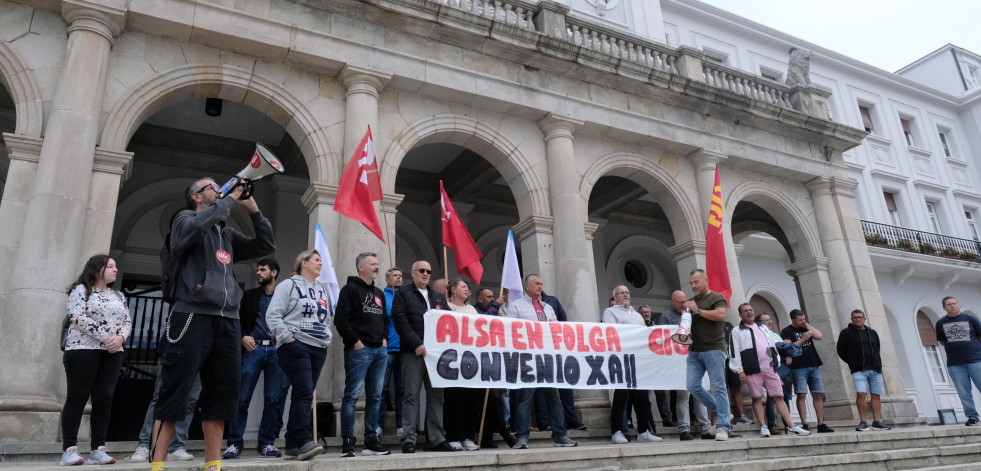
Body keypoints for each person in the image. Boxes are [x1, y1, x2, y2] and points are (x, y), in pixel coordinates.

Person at [151, 178, 275, 471]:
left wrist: (252, 206)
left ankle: (213, 464)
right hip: (192, 314)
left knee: (221, 395)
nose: (219, 189)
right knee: (175, 391)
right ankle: (157, 464)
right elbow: (197, 226)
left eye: (221, 187)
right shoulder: (184, 219)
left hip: (228, 320)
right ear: (196, 196)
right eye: (212, 187)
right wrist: (229, 199)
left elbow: (266, 244)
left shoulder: (227, 233)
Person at [60, 255, 131, 466]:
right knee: (77, 397)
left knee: (104, 399)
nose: (115, 270)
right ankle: (69, 449)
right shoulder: (80, 290)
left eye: (116, 266)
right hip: (82, 350)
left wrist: (120, 338)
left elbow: (127, 320)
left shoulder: (118, 295)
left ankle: (98, 449)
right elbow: (78, 317)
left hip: (112, 352)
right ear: (97, 269)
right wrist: (107, 338)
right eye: (110, 266)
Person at [266, 249, 333, 460]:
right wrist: (288, 338)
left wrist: (326, 337)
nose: (321, 264)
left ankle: (293, 444)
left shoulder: (321, 290)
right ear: (303, 262)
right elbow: (273, 315)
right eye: (316, 260)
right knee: (304, 392)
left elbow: (327, 318)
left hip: (318, 346)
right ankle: (304, 440)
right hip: (296, 345)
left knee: (303, 393)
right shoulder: (288, 285)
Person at [224, 259, 290, 459]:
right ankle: (234, 443)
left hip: (277, 351)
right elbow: (238, 320)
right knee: (242, 397)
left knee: (273, 400)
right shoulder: (250, 296)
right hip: (254, 349)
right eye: (258, 270)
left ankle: (267, 443)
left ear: (274, 272)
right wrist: (243, 335)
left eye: (263, 270)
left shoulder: (285, 297)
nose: (258, 273)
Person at [506, 274, 578, 449]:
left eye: (541, 284)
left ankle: (560, 435)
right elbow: (510, 331)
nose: (540, 286)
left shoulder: (548, 308)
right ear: (527, 287)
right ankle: (523, 437)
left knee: (555, 399)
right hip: (528, 359)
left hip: (549, 359)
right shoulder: (515, 307)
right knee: (525, 399)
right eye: (537, 283)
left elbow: (556, 330)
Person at [334, 252, 391, 457]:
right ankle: (348, 442)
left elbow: (385, 319)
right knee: (351, 396)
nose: (377, 266)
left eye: (377, 263)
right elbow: (341, 320)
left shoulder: (379, 292)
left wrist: (384, 340)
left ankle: (370, 441)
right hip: (359, 350)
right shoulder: (349, 290)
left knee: (375, 397)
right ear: (361, 268)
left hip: (379, 351)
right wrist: (356, 342)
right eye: (372, 264)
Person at [392, 260, 452, 453]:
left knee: (437, 396)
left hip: (436, 354)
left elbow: (449, 321)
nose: (425, 274)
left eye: (428, 271)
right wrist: (416, 343)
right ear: (413, 273)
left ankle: (436, 438)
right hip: (413, 352)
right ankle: (408, 438)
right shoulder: (403, 293)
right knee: (411, 395)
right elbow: (401, 321)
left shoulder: (438, 297)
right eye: (421, 271)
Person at [728, 304, 810, 438]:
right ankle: (763, 426)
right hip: (752, 369)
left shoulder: (763, 327)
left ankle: (791, 426)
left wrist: (776, 361)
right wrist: (739, 371)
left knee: (779, 396)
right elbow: (734, 352)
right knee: (756, 397)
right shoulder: (737, 331)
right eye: (745, 311)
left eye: (750, 310)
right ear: (740, 315)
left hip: (770, 367)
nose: (749, 312)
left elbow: (772, 344)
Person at [603, 285, 662, 444]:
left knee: (642, 397)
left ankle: (643, 430)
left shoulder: (637, 315)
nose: (626, 295)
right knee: (621, 397)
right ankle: (616, 431)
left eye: (627, 292)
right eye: (622, 293)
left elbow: (644, 336)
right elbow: (611, 332)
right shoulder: (610, 312)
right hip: (621, 359)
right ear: (615, 297)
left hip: (638, 359)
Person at [684, 269, 736, 441]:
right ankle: (725, 413)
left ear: (706, 280)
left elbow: (721, 315)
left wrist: (698, 311)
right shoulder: (690, 301)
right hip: (694, 351)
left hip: (714, 348)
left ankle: (723, 427)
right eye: (691, 282)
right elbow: (685, 324)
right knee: (692, 386)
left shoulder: (716, 297)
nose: (693, 286)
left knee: (718, 386)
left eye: (696, 282)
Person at [659, 290, 712, 440]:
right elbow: (663, 338)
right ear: (672, 302)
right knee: (683, 396)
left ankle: (706, 428)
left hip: (696, 357)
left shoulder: (692, 313)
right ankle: (684, 429)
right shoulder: (666, 316)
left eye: (685, 301)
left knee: (700, 395)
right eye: (680, 302)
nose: (683, 304)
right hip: (679, 361)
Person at [837, 309, 891, 431]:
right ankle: (863, 422)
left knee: (876, 394)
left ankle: (877, 421)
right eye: (855, 317)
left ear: (864, 319)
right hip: (858, 369)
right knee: (861, 394)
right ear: (851, 319)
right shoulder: (846, 333)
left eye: (860, 317)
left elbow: (877, 347)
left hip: (875, 369)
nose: (857, 319)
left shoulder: (872, 333)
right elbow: (840, 350)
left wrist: (877, 363)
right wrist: (852, 362)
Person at [781, 309, 834, 433]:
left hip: (814, 364)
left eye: (803, 319)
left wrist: (807, 325)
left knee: (818, 394)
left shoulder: (806, 327)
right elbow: (788, 348)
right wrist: (803, 339)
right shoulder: (786, 331)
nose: (802, 321)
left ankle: (821, 424)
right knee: (801, 395)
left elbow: (819, 336)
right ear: (793, 319)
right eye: (800, 320)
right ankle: (804, 423)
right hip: (799, 367)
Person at [444, 279, 482, 451]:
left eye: (468, 287)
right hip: (452, 359)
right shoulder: (445, 307)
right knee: (454, 399)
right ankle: (453, 436)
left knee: (471, 399)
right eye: (463, 287)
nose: (467, 289)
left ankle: (468, 437)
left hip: (470, 359)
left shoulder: (472, 309)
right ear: (453, 289)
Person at [935, 296, 981, 427]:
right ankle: (972, 417)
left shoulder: (971, 319)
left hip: (976, 361)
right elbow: (942, 341)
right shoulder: (940, 323)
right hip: (955, 364)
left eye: (954, 303)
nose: (952, 306)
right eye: (949, 304)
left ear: (958, 305)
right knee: (964, 393)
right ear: (944, 307)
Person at [378, 267, 405, 437]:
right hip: (387, 349)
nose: (399, 278)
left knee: (402, 390)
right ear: (387, 280)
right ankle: (378, 425)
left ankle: (402, 425)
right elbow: (380, 316)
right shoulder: (381, 295)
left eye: (401, 275)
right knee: (382, 389)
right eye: (395, 275)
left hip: (404, 349)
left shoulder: (407, 296)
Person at [758, 312, 792, 434]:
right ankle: (772, 426)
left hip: (784, 367)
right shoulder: (760, 335)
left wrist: (789, 355)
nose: (770, 322)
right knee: (772, 397)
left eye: (770, 319)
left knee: (786, 397)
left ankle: (789, 426)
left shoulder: (776, 335)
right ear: (761, 323)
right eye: (766, 320)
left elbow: (785, 348)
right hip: (772, 368)